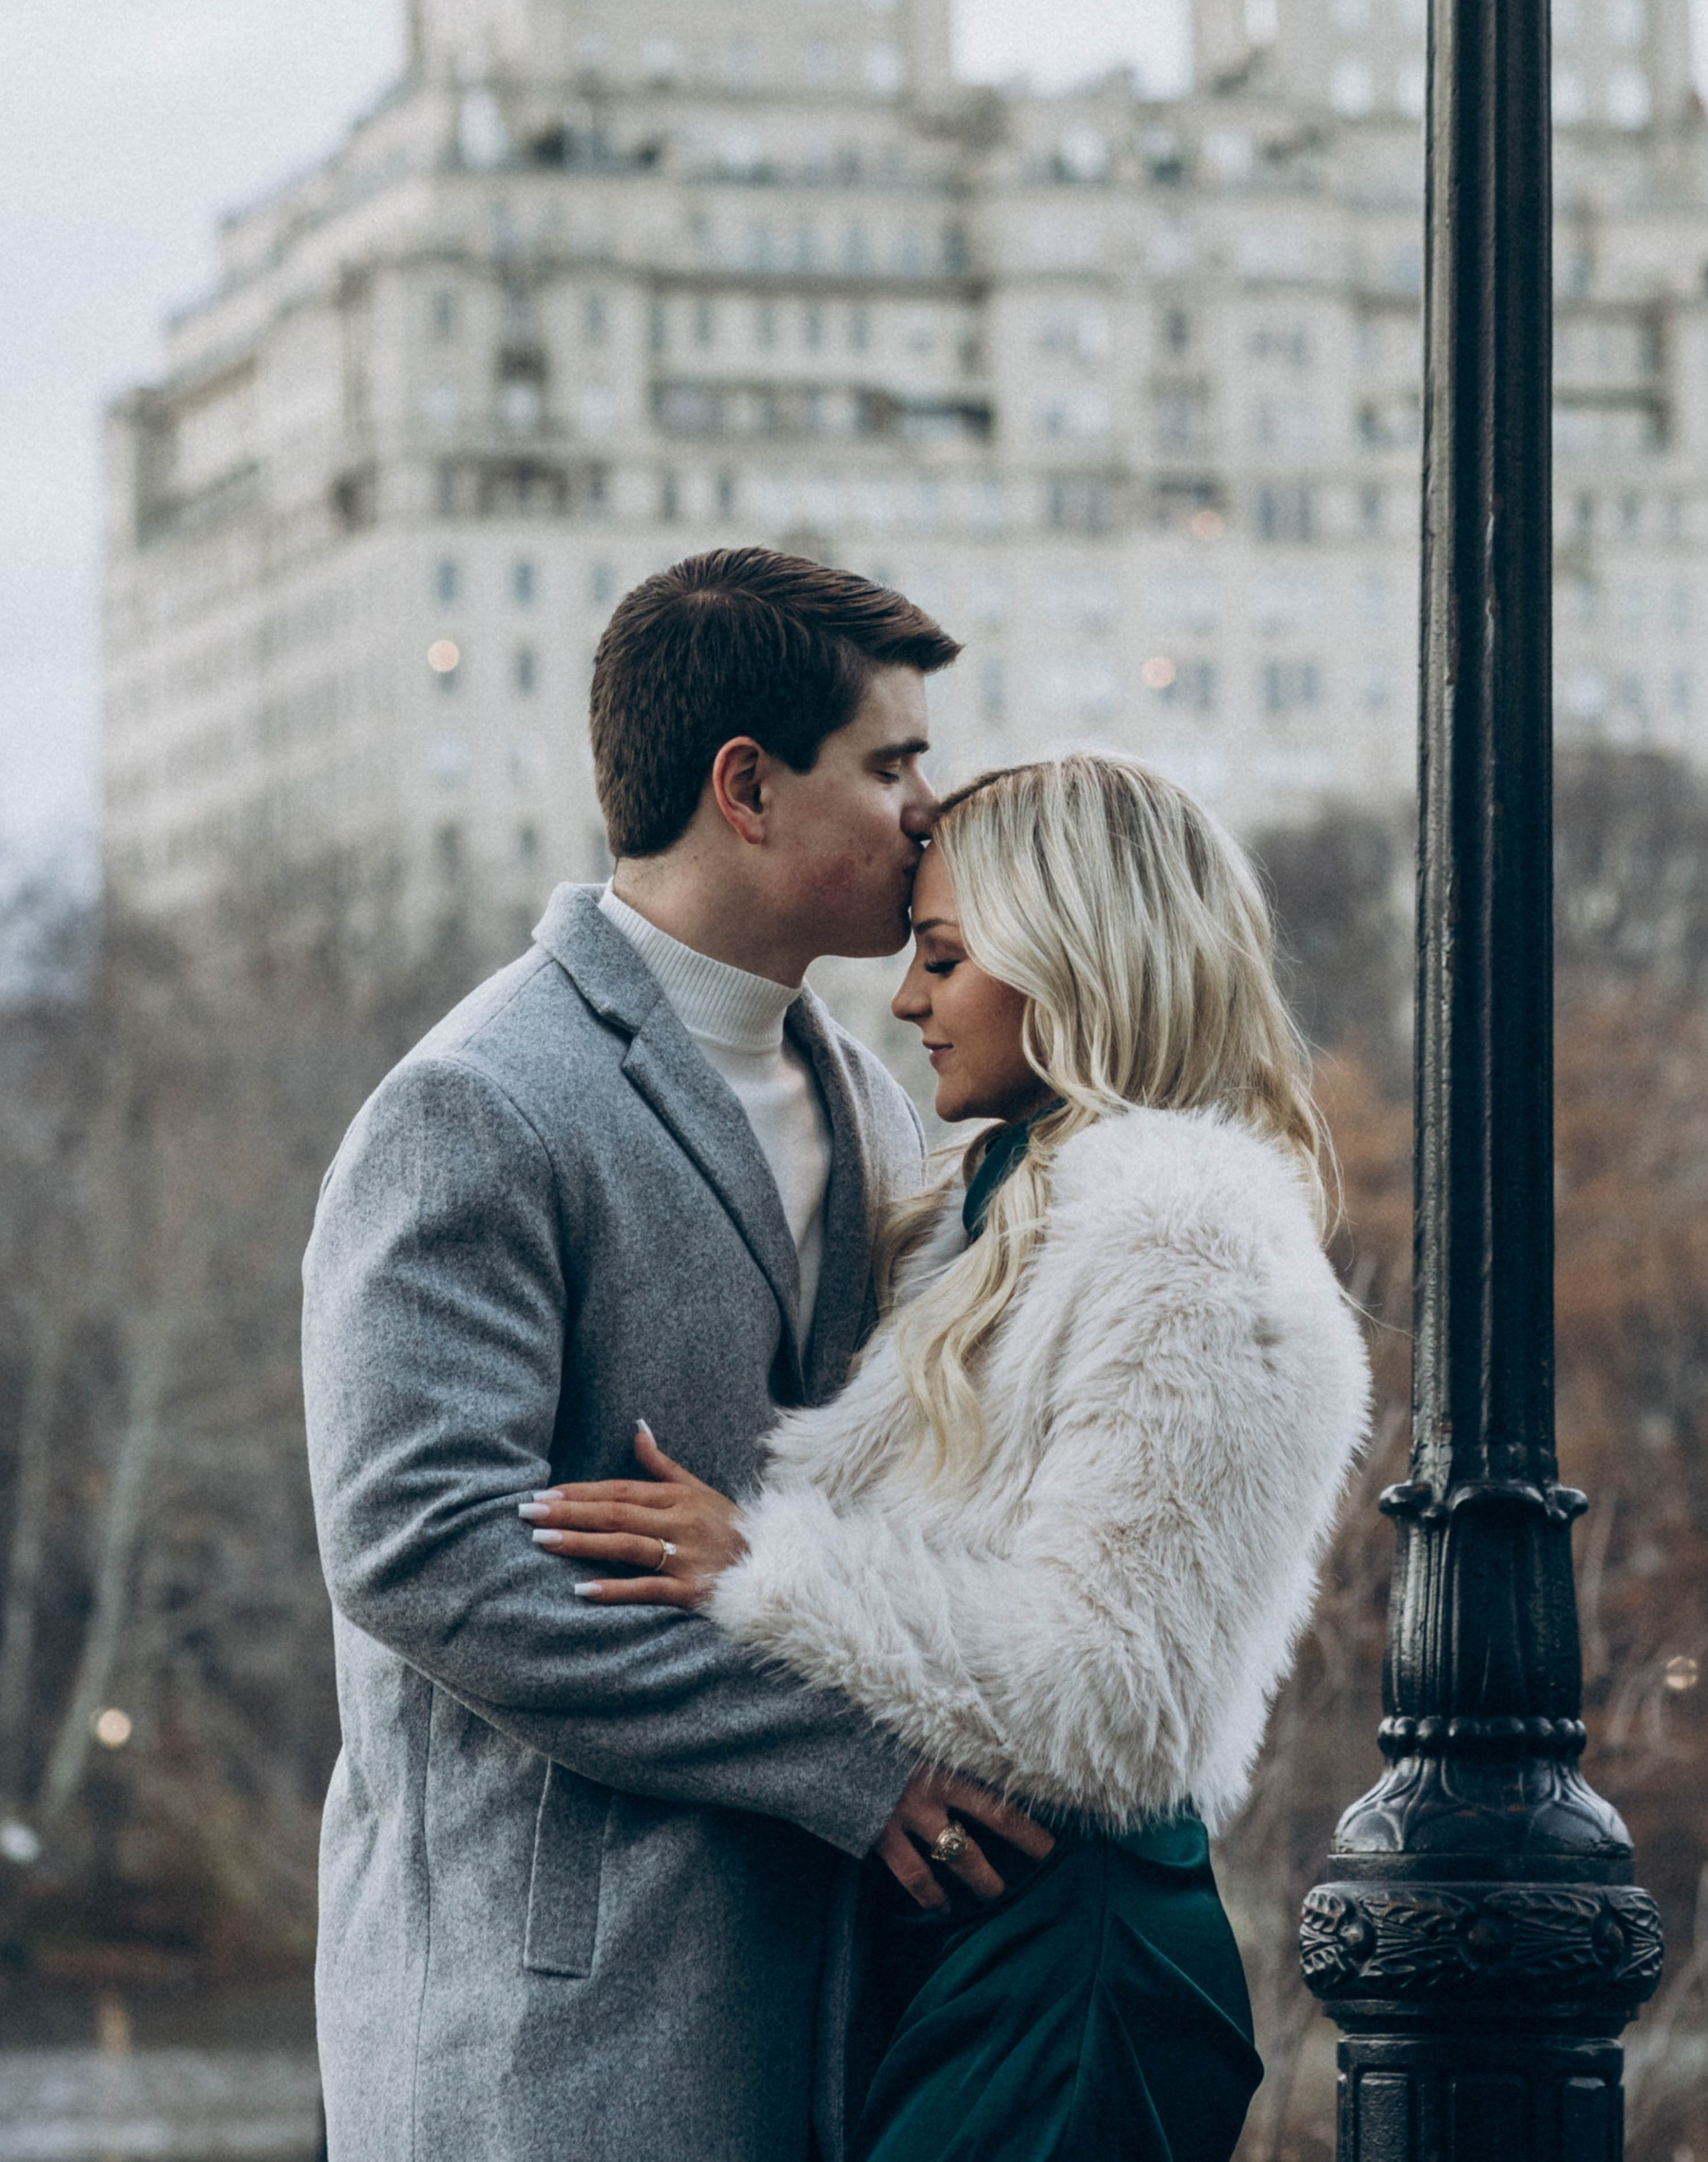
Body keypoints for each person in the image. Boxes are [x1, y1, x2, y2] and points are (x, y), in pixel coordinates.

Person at [303, 548, 1052, 2162]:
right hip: (550, 2017)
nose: (933, 806)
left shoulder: (866, 1097)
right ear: (746, 788)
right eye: (891, 762)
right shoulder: (476, 1106)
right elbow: (421, 1552)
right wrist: (848, 1763)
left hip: (828, 2000)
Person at [525, 750, 1372, 2162]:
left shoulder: (1188, 1245)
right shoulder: (973, 1212)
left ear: (1077, 961)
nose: (906, 999)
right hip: (950, 1935)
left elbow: (1116, 1697)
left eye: (945, 957)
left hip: (1072, 1958)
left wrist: (765, 1567)